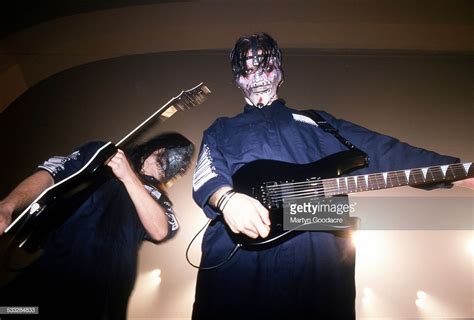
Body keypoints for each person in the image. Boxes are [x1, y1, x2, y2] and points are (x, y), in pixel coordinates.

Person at [191, 32, 473, 319]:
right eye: (247, 69)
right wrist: (226, 200)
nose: (257, 76)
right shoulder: (222, 129)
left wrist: (458, 173)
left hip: (317, 252)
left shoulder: (319, 122)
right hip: (240, 260)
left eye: (265, 66)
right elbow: (206, 171)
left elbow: (384, 151)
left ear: (280, 71)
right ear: (237, 79)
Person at [0, 132, 194, 319]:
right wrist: (7, 206)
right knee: (12, 310)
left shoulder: (160, 201)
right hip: (52, 275)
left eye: (184, 165)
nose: (180, 161)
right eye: (172, 151)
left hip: (102, 299)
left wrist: (128, 177)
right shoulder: (104, 155)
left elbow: (160, 231)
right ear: (157, 147)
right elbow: (51, 175)